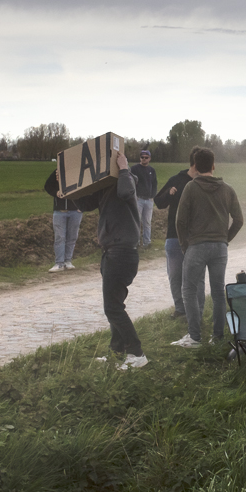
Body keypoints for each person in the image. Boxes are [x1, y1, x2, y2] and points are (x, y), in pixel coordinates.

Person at [75, 150, 148, 370]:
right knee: (115, 305)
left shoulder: (128, 181)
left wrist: (124, 167)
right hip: (111, 252)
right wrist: (69, 188)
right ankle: (116, 352)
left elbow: (125, 192)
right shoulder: (106, 187)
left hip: (122, 252)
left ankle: (137, 353)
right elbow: (84, 204)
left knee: (112, 308)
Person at [174, 148, 243, 349]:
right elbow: (239, 220)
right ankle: (217, 336)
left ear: (195, 167)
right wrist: (225, 239)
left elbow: (180, 221)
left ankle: (195, 337)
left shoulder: (190, 187)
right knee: (218, 292)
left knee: (188, 290)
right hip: (220, 248)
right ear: (213, 166)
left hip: (196, 245)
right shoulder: (227, 189)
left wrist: (184, 245)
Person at [153, 147, 200, 319]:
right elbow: (158, 202)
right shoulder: (177, 180)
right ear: (195, 164)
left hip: (196, 238)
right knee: (175, 275)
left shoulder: (203, 182)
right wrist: (168, 194)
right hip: (174, 236)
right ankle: (180, 309)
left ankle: (195, 310)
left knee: (195, 276)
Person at [44, 168, 83, 272]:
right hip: (60, 211)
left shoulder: (80, 171)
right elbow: (47, 186)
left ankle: (67, 261)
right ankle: (59, 263)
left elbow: (86, 188)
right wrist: (56, 192)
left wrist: (82, 205)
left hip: (76, 211)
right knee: (60, 237)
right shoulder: (57, 172)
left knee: (72, 236)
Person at [131, 148, 158, 248]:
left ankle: (147, 243)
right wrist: (134, 196)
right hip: (138, 199)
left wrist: (153, 196)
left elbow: (155, 183)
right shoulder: (134, 169)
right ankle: (135, 243)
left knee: (147, 222)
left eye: (146, 157)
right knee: (136, 221)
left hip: (149, 200)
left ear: (149, 158)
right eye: (142, 157)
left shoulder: (152, 170)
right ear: (140, 158)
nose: (144, 159)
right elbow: (130, 183)